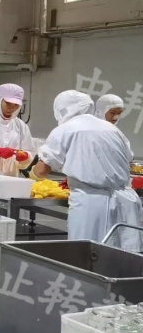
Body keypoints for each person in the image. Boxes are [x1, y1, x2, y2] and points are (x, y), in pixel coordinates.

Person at [31, 91, 142, 251]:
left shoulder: (65, 129)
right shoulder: (112, 129)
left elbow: (41, 171)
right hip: (125, 201)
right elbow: (127, 157)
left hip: (91, 204)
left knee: (87, 254)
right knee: (123, 257)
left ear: (62, 110)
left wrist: (30, 175)